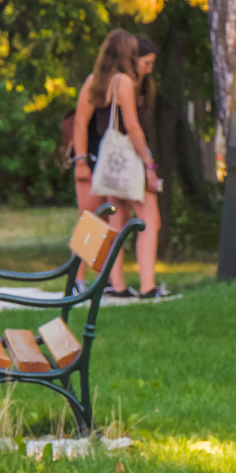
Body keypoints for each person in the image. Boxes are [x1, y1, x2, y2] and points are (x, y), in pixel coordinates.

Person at [71, 30, 165, 298]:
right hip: (108, 159)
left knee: (106, 219)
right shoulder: (118, 82)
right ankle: (140, 285)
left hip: (105, 161)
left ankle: (112, 282)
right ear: (127, 54)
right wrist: (148, 164)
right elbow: (130, 126)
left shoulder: (99, 82)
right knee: (96, 219)